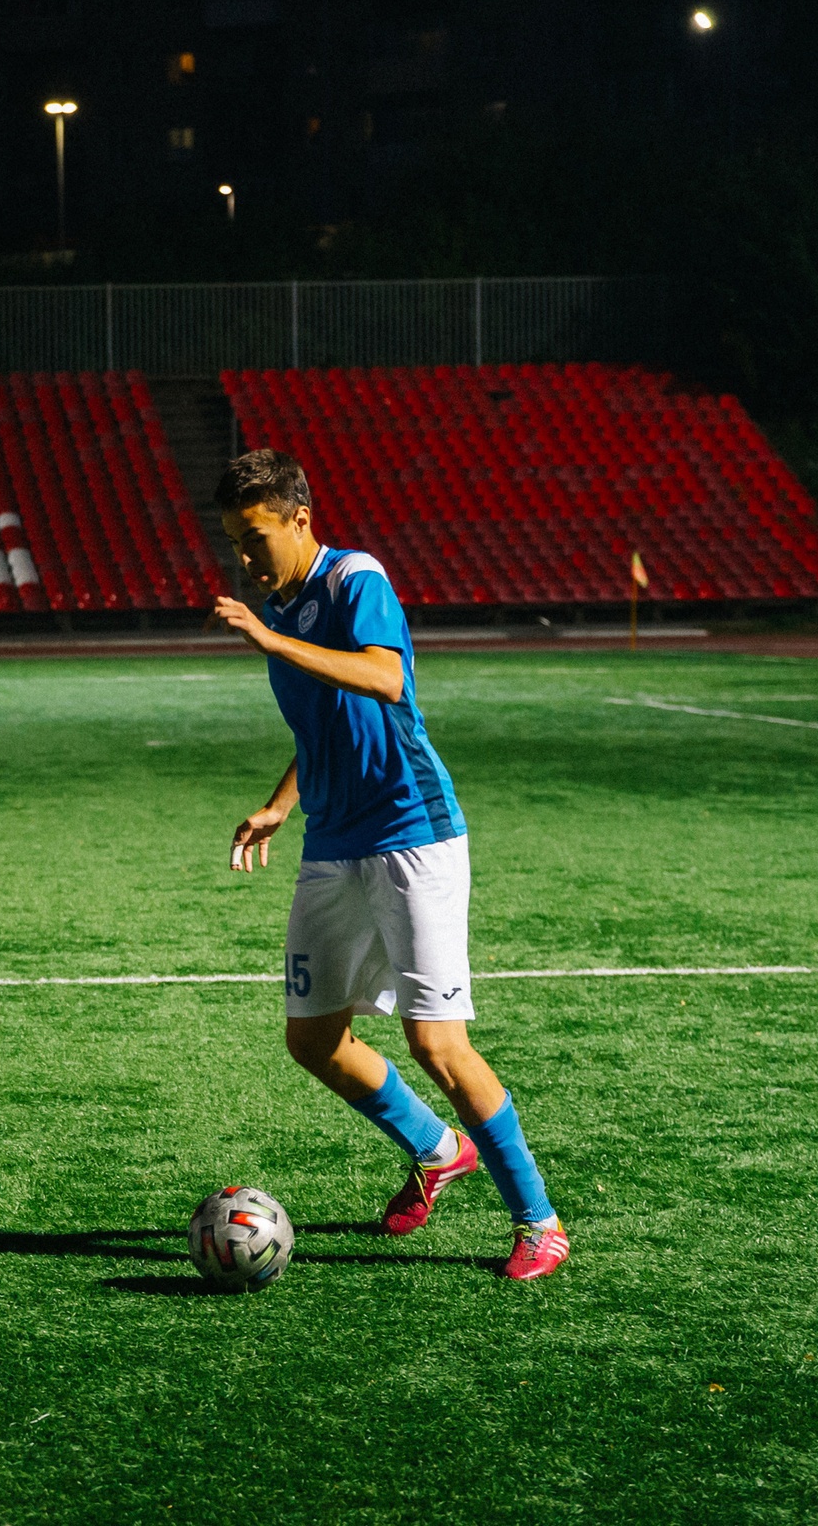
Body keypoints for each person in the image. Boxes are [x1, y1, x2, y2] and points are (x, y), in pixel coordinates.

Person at [208, 449, 566, 1280]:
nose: (245, 559)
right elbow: (321, 727)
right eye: (234, 543)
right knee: (314, 1038)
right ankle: (438, 1151)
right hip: (332, 840)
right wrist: (281, 803)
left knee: (437, 1043)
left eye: (255, 537)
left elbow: (384, 676)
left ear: (301, 519)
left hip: (413, 835)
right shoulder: (285, 607)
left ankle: (539, 1220)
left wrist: (268, 638)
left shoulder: (351, 579)